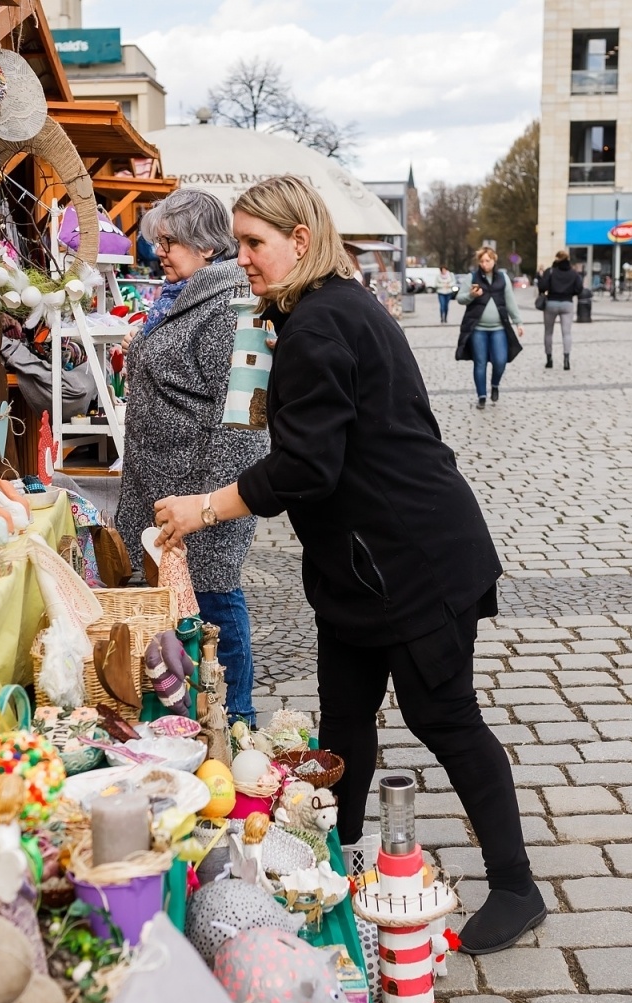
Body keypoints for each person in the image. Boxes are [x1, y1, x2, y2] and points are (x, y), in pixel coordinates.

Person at [152, 174, 545, 955]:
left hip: (413, 558)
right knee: (343, 719)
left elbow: (305, 467)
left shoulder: (324, 321)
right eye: (239, 243)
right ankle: (341, 855)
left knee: (444, 717)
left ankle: (515, 886)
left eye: (255, 243)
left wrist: (205, 508)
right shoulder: (315, 311)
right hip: (359, 568)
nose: (243, 257)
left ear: (300, 240)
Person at [114, 187, 268, 728]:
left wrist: (210, 508)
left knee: (215, 606)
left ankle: (236, 723)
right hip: (165, 490)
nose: (159, 251)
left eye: (170, 241)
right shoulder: (181, 296)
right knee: (184, 611)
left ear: (206, 246)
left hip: (201, 497)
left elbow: (245, 424)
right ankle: (189, 721)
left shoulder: (233, 308)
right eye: (157, 241)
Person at [454, 248, 523, 408]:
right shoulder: (472, 277)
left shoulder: (503, 278)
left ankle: (495, 385)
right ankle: (482, 396)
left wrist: (518, 322)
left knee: (500, 361)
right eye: (482, 261)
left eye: (488, 261)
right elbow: (460, 298)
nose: (485, 264)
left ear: (494, 260)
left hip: (499, 328)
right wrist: (471, 295)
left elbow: (510, 302)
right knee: (480, 362)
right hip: (478, 329)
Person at [536, 250, 584, 371]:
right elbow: (579, 288)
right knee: (566, 333)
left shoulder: (550, 271)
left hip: (551, 303)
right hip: (567, 303)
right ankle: (566, 360)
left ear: (556, 258)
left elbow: (542, 287)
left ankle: (549, 359)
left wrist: (540, 277)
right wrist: (570, 293)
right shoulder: (573, 273)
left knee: (548, 332)